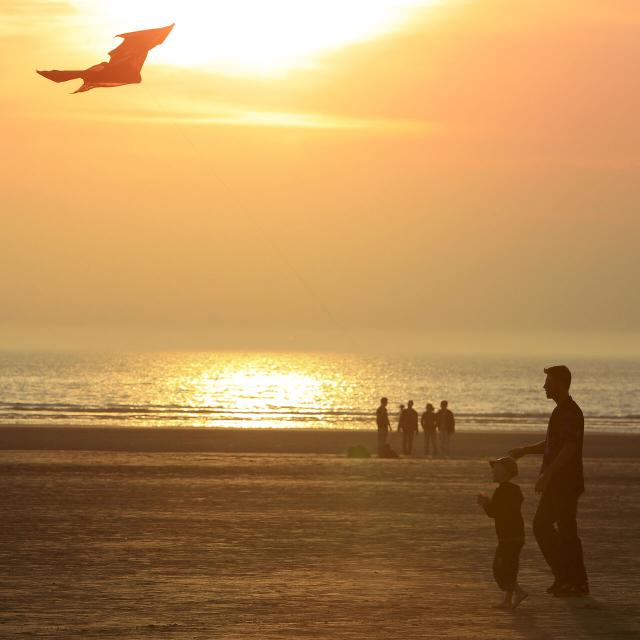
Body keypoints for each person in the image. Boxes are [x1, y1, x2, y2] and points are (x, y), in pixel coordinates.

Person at [509, 365, 589, 597]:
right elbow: (552, 445)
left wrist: (547, 474)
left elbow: (569, 448)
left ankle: (571, 579)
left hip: (565, 483)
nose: (544, 386)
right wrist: (525, 450)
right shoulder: (560, 411)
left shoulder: (571, 412)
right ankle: (570, 580)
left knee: (545, 526)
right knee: (563, 530)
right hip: (559, 481)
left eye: (548, 382)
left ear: (560, 384)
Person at [477, 457, 528, 609]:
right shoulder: (514, 489)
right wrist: (490, 502)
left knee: (499, 568)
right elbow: (507, 509)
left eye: (497, 470)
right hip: (517, 535)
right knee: (510, 566)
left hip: (508, 537)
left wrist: (485, 503)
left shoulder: (502, 491)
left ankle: (519, 592)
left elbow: (495, 513)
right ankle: (507, 600)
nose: (493, 472)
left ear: (506, 474)